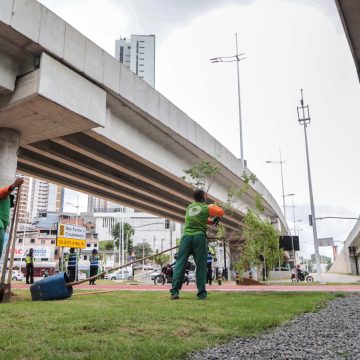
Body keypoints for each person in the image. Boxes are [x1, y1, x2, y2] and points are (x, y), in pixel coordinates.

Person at [170, 189, 224, 300]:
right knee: (201, 265)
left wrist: (210, 221)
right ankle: (201, 294)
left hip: (186, 237)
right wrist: (213, 213)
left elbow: (198, 218)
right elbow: (220, 212)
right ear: (203, 197)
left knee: (180, 263)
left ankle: (174, 292)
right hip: (199, 237)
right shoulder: (206, 208)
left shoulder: (189, 207)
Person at [0, 178, 24, 259]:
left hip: (3, 227)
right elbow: (6, 190)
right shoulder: (3, 195)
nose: (12, 203)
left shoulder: (5, 205)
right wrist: (14, 185)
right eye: (12, 199)